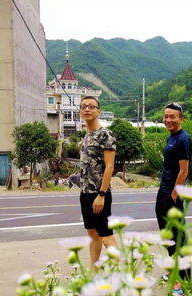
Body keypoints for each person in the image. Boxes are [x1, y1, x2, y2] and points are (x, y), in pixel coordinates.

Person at [155, 102, 192, 295]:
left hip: (172, 195)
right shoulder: (172, 137)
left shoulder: (183, 139)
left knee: (179, 238)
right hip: (163, 192)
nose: (168, 120)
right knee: (168, 236)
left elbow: (184, 170)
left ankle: (184, 283)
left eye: (173, 117)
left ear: (181, 119)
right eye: (166, 116)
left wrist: (174, 195)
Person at [79, 96, 118, 268]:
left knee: (106, 236)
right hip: (85, 193)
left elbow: (109, 167)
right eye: (83, 106)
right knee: (92, 234)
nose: (87, 109)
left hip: (99, 194)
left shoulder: (105, 134)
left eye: (91, 106)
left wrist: (101, 194)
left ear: (98, 111)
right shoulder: (87, 135)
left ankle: (120, 277)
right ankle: (94, 274)